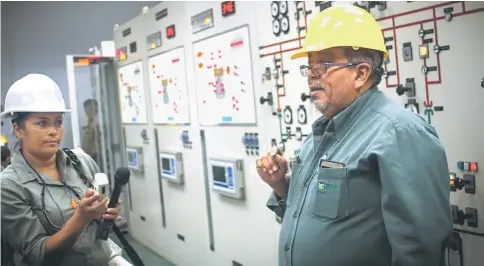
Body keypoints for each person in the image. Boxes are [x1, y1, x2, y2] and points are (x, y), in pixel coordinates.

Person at [257, 5, 452, 266]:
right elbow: (310, 213)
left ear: (361, 73)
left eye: (323, 64)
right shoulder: (321, 132)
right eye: (309, 65)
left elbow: (420, 251)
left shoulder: (399, 132)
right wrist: (281, 184)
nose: (311, 75)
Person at [0, 73, 130, 265]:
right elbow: (38, 254)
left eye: (58, 122)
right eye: (42, 123)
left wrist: (105, 213)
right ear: (19, 129)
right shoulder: (9, 186)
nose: (54, 131)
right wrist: (81, 217)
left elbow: (99, 227)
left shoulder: (81, 161)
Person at [81, 98, 101, 164]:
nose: (87, 113)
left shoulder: (98, 123)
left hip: (96, 155)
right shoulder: (89, 122)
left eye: (89, 110)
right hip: (88, 155)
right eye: (85, 111)